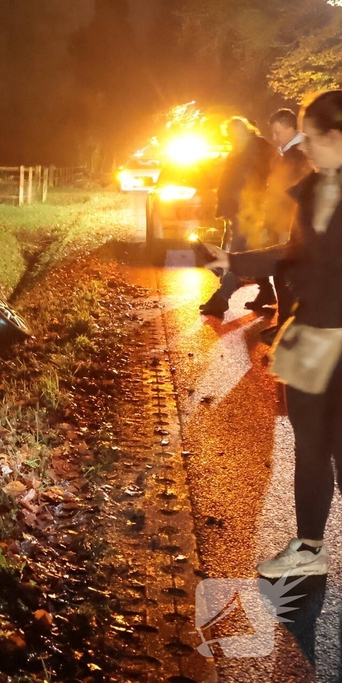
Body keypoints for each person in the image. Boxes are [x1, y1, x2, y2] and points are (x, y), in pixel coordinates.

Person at [202, 90, 342, 577]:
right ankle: (309, 550)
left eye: (311, 134)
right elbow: (294, 251)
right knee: (310, 446)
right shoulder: (315, 188)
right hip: (308, 334)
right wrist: (234, 262)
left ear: (337, 137)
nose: (302, 144)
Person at [199, 117, 275, 317]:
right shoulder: (241, 148)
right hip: (239, 211)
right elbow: (230, 182)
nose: (231, 139)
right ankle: (266, 291)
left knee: (239, 255)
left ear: (243, 130)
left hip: (250, 211)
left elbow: (268, 177)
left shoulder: (258, 148)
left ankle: (222, 298)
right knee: (252, 252)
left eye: (233, 135)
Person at [259, 109, 313, 344]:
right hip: (289, 223)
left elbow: (288, 193)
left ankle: (286, 329)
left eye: (277, 131)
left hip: (290, 224)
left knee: (286, 275)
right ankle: (284, 327)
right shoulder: (292, 152)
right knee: (284, 274)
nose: (274, 137)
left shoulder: (297, 154)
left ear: (290, 128)